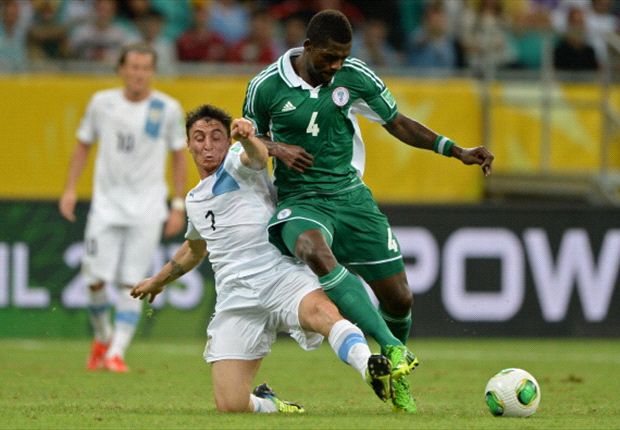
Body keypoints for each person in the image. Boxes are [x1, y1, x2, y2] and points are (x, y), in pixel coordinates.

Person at [242, 9, 494, 413]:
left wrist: (456, 150)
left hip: (351, 198)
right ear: (308, 48)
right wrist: (276, 148)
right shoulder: (265, 86)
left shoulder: (354, 75)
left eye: (342, 56)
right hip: (301, 200)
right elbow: (247, 140)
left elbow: (397, 122)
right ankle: (392, 347)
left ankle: (398, 376)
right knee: (312, 248)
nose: (335, 65)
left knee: (399, 300)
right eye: (328, 57)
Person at [130, 104, 394, 413]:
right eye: (199, 137)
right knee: (231, 405)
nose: (207, 145)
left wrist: (246, 138)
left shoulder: (236, 163)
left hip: (281, 276)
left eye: (217, 136)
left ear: (227, 142)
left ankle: (370, 367)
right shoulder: (194, 200)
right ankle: (270, 403)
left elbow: (256, 156)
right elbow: (194, 249)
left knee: (322, 313)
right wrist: (156, 281)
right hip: (237, 298)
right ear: (188, 144)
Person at [59, 43, 188, 373]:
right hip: (106, 206)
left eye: (145, 68)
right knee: (94, 280)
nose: (139, 74)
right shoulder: (102, 103)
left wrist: (177, 204)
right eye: (133, 67)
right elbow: (83, 146)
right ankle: (102, 337)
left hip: (147, 209)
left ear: (152, 72)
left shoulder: (167, 108)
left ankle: (116, 352)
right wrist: (70, 189)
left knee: (131, 282)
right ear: (121, 69)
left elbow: (178, 157)